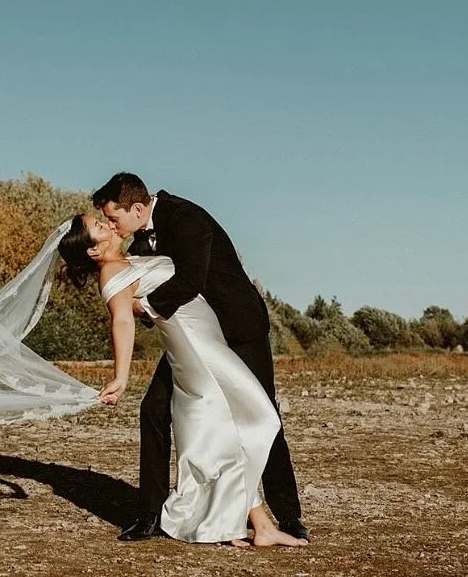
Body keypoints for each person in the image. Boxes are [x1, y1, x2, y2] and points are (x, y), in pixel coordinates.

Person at [57, 212, 306, 547]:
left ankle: (254, 524)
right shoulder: (113, 273)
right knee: (247, 422)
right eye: (100, 226)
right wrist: (121, 376)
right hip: (197, 351)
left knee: (230, 429)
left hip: (210, 344)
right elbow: (122, 322)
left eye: (106, 219)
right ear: (91, 250)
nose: (108, 224)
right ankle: (243, 522)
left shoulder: (131, 258)